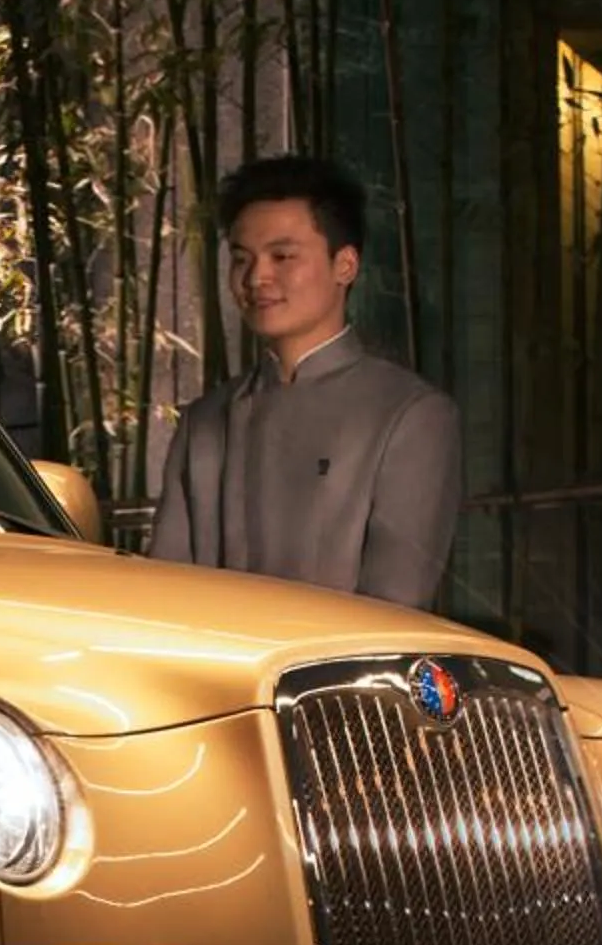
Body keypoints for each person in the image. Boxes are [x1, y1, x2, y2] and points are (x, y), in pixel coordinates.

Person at [149, 154, 462, 608]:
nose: (257, 277)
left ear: (345, 265)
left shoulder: (410, 415)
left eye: (282, 256)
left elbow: (398, 601)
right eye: (242, 259)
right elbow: (165, 592)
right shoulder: (204, 421)